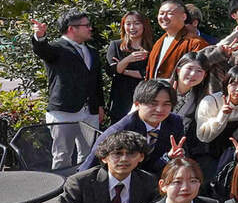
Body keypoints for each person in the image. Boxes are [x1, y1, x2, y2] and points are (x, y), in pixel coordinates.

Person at [31, 11, 104, 170]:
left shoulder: (91, 50)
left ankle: (83, 188)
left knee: (89, 154)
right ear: (72, 29)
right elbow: (43, 50)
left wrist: (99, 106)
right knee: (62, 155)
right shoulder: (56, 48)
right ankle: (59, 192)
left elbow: (96, 81)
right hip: (64, 111)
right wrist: (40, 37)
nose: (90, 28)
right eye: (86, 25)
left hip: (89, 111)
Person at [80, 80, 185, 174]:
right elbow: (88, 168)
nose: (159, 109)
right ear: (137, 104)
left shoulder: (175, 122)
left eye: (166, 104)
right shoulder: (120, 131)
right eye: (153, 103)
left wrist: (171, 157)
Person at [106, 10, 152, 123]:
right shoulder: (115, 45)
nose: (132, 27)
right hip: (120, 99)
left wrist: (123, 70)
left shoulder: (153, 48)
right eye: (128, 24)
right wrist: (129, 59)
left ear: (144, 25)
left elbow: (146, 74)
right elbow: (112, 71)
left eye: (136, 23)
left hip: (144, 97)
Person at [145, 0, 209, 80]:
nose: (164, 17)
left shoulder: (195, 43)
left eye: (170, 13)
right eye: (161, 13)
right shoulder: (159, 42)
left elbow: (198, 76)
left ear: (184, 17)